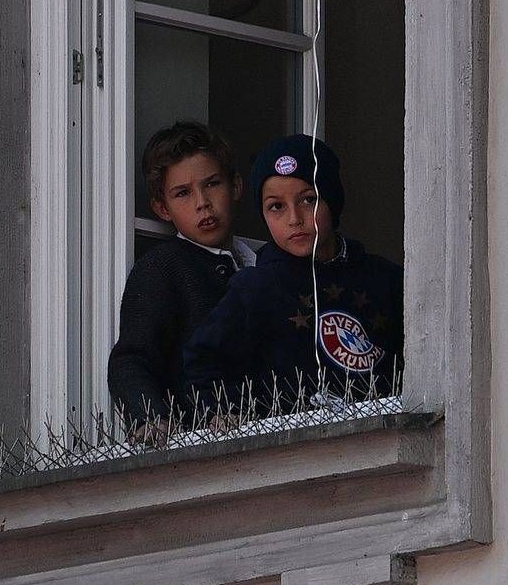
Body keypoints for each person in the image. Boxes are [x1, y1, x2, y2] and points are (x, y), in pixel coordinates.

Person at [181, 133, 403, 409]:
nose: (294, 219)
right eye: (276, 206)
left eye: (308, 200)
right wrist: (247, 413)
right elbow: (201, 364)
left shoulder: (386, 280)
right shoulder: (256, 288)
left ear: (333, 200)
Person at [107, 121, 261, 423]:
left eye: (212, 184)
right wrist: (153, 422)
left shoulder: (264, 266)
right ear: (162, 208)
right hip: (204, 437)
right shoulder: (164, 267)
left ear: (236, 186)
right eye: (183, 193)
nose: (202, 203)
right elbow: (131, 360)